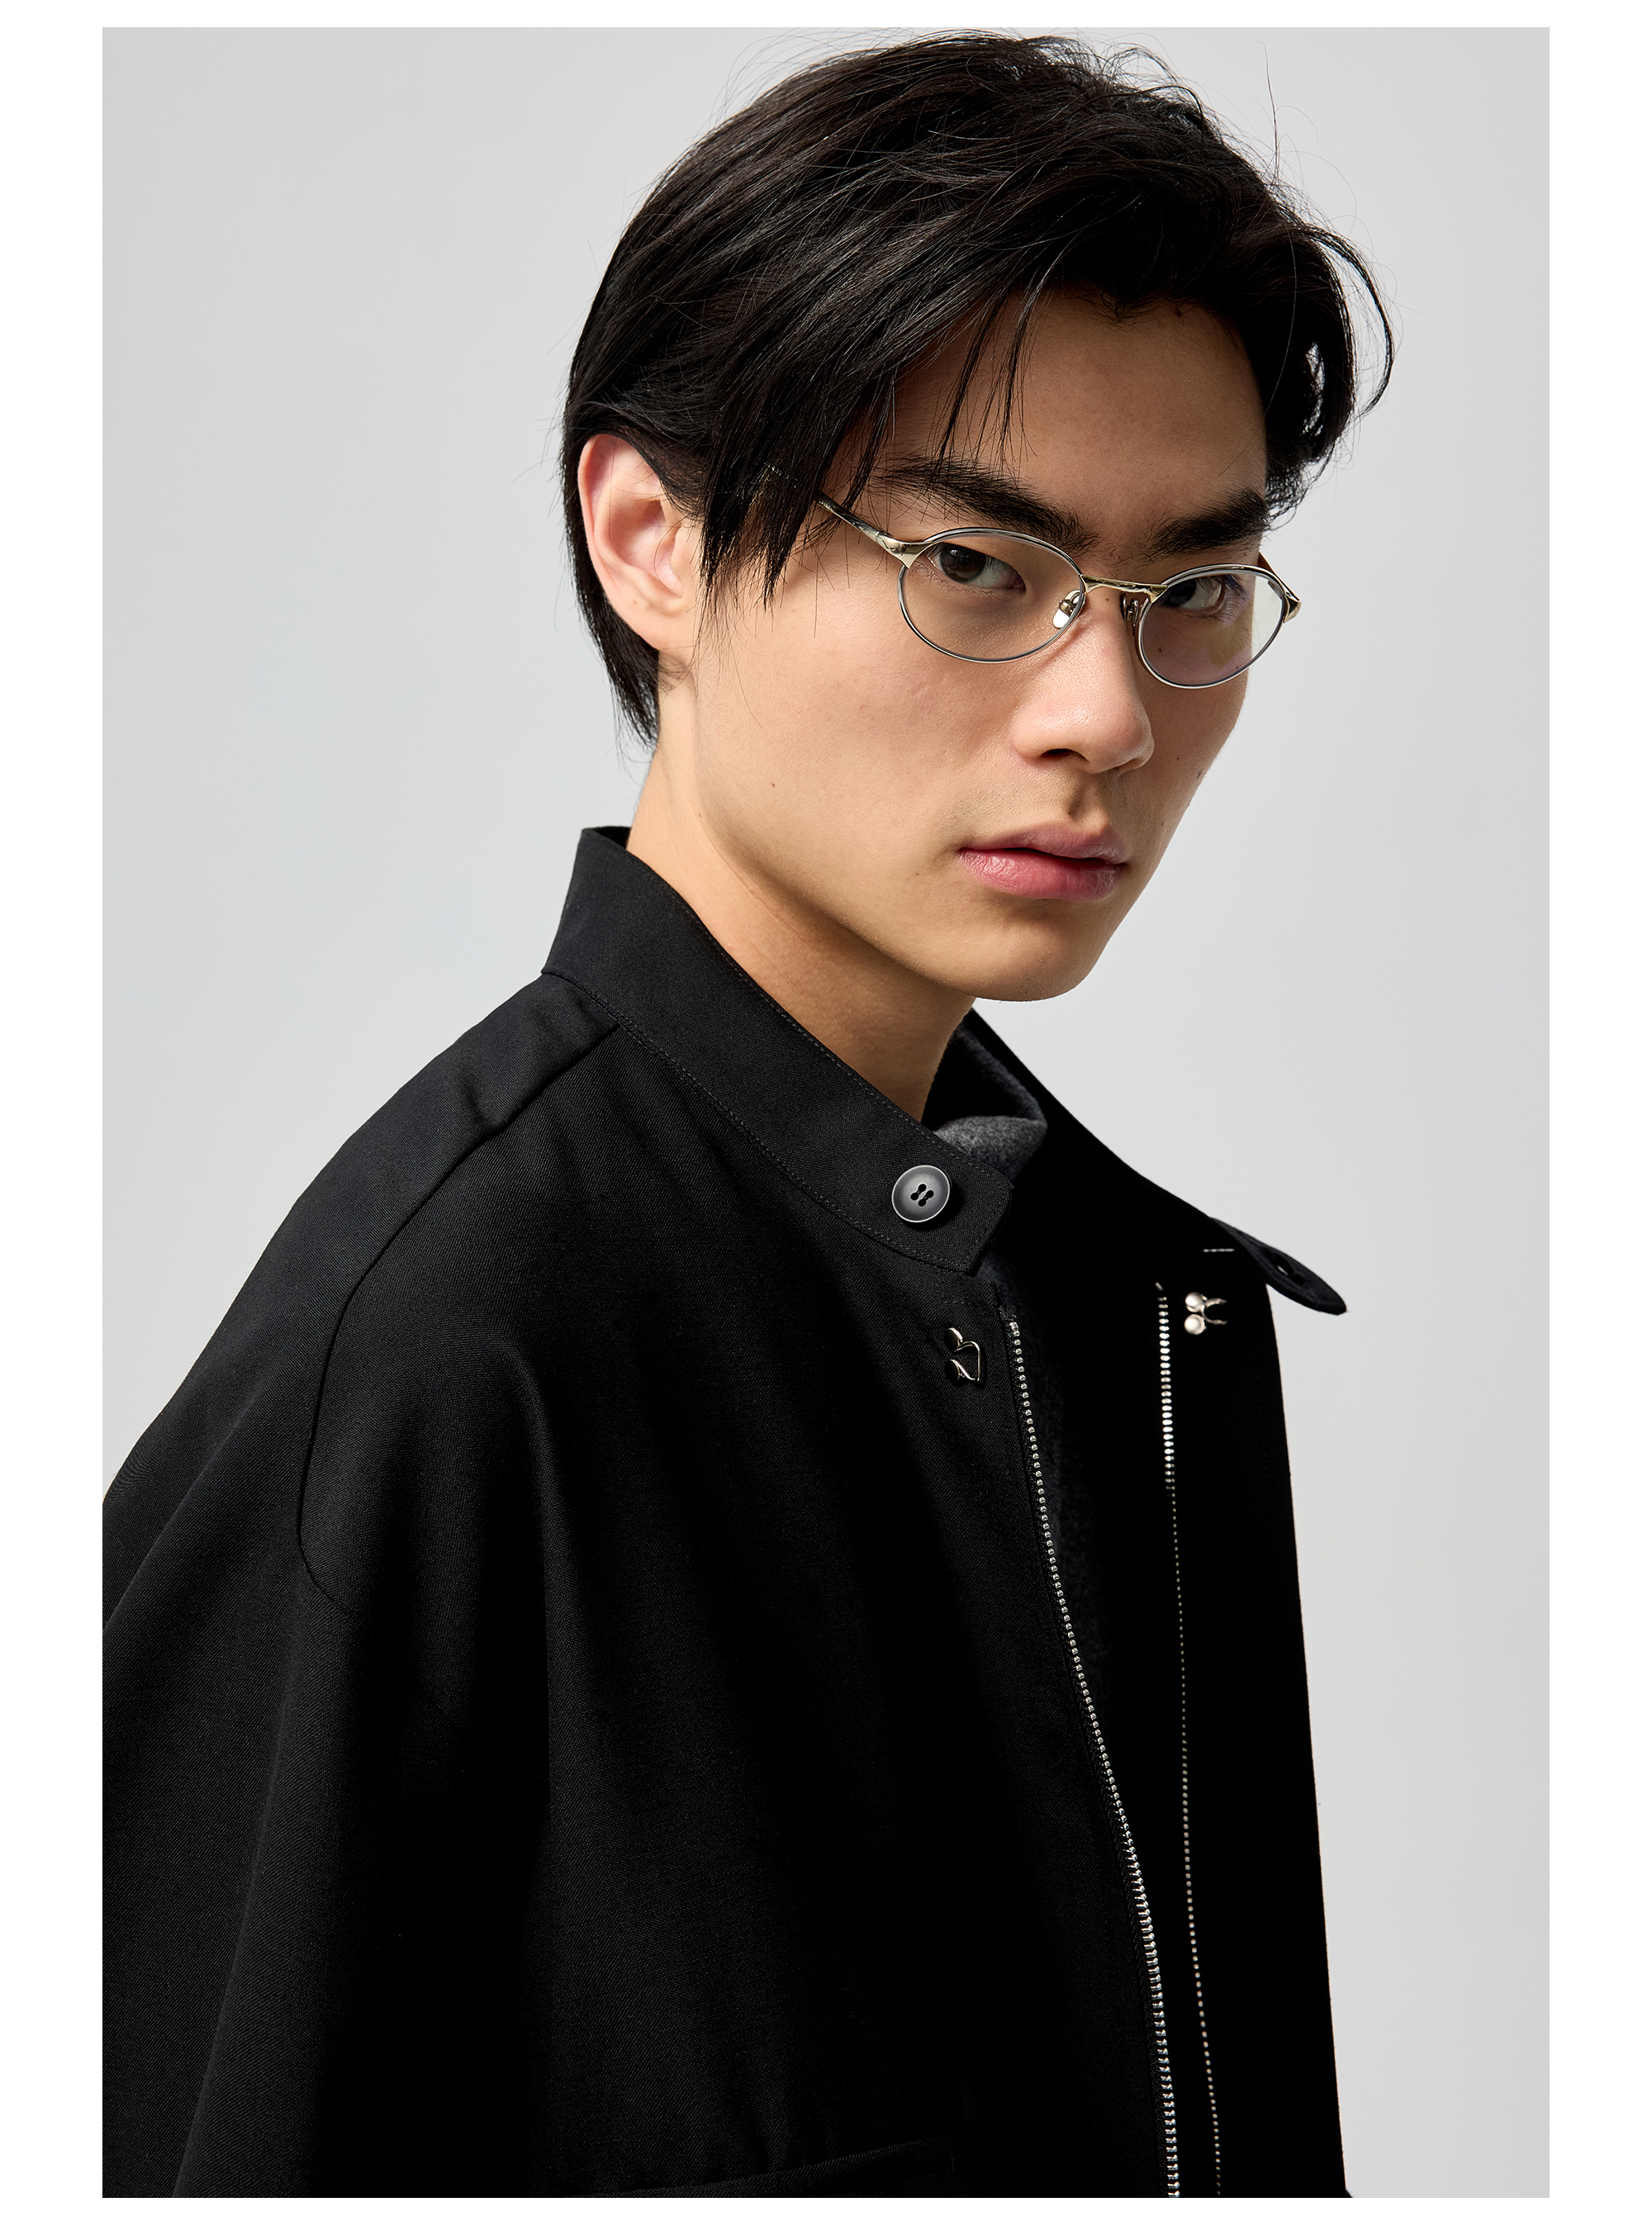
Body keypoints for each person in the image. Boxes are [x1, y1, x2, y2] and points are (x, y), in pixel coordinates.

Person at [104, 33, 1389, 2198]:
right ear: (655, 545)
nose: (1106, 712)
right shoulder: (444, 1363)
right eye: (976, 570)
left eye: (1189, 594)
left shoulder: (1093, 1298)